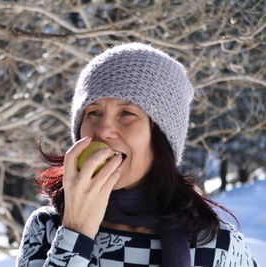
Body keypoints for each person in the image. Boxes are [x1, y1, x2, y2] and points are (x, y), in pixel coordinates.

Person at [16, 43, 257, 266]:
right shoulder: (47, 228)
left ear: (161, 137)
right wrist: (75, 233)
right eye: (93, 113)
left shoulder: (215, 245)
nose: (102, 131)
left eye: (127, 113)